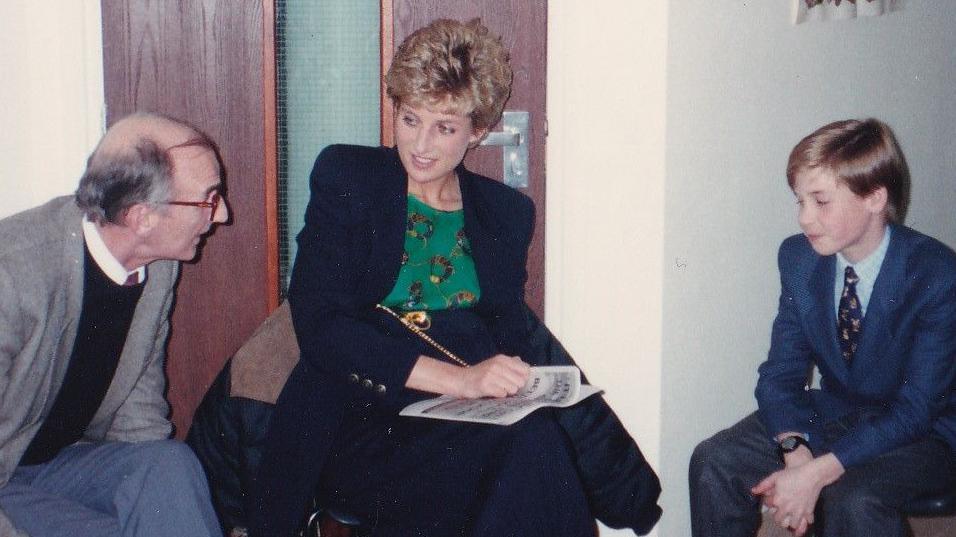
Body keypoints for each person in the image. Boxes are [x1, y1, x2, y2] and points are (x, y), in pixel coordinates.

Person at [249, 18, 661, 537]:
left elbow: (511, 331)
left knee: (535, 441)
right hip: (359, 421)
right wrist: (461, 380)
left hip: (464, 422)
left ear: (479, 131)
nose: (420, 145)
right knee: (516, 464)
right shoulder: (349, 177)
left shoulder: (505, 213)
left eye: (444, 127)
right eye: (409, 119)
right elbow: (321, 329)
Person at [689, 118, 956, 537]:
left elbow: (917, 410)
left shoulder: (935, 272)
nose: (804, 218)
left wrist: (818, 473)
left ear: (874, 197)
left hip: (923, 433)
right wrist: (795, 450)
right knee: (714, 461)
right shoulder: (799, 259)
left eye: (820, 201)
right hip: (838, 410)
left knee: (853, 496)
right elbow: (780, 374)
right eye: (799, 201)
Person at [0, 112, 228, 537]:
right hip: (5, 478)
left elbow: (137, 416)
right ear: (141, 217)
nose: (221, 216)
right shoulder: (12, 276)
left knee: (168, 466)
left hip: (61, 464)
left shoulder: (155, 266)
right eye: (208, 200)